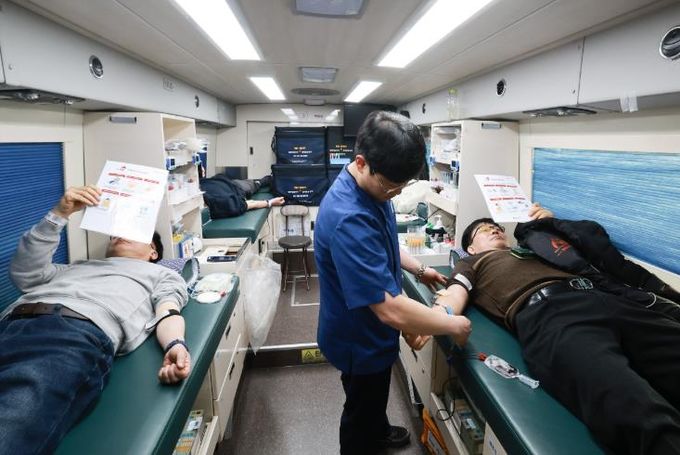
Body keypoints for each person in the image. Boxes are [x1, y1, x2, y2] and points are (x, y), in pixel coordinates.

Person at [434, 207, 680, 455]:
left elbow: (590, 242)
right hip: (550, 313)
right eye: (484, 229)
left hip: (604, 297)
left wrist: (550, 223)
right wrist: (439, 317)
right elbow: (455, 293)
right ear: (471, 248)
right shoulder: (472, 262)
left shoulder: (536, 248)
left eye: (496, 227)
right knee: (629, 402)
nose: (494, 229)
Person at [314, 111, 472, 454]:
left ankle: (379, 429)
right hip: (359, 338)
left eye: (402, 186)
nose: (395, 193)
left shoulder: (372, 188)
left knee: (373, 396)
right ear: (361, 162)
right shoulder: (348, 217)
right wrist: (452, 323)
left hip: (370, 331)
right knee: (360, 408)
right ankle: (365, 440)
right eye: (391, 187)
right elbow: (389, 310)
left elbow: (383, 241)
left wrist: (418, 268)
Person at [0, 185, 191, 454]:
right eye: (116, 233)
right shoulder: (77, 267)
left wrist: (175, 344)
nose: (120, 235)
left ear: (153, 252)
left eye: (134, 233)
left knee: (10, 426)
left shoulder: (162, 275)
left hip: (70, 334)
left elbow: (168, 311)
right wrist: (59, 214)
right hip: (9, 324)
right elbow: (25, 274)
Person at [199, 171, 285, 219]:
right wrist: (271, 202)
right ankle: (262, 181)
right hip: (222, 182)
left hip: (231, 185)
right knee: (252, 185)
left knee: (253, 184)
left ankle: (261, 182)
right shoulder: (223, 203)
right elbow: (249, 203)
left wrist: (270, 202)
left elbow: (250, 203)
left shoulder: (221, 203)